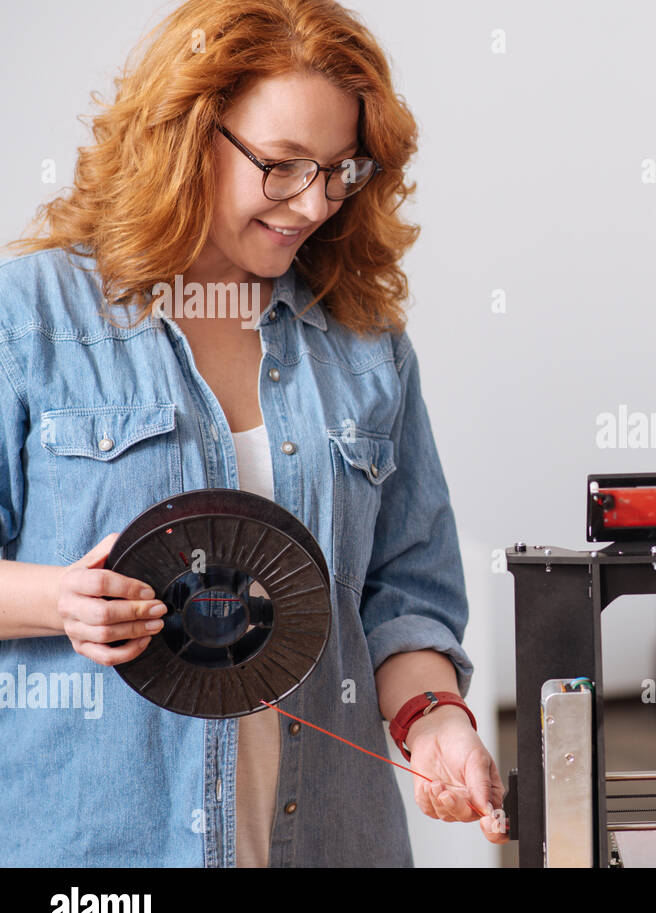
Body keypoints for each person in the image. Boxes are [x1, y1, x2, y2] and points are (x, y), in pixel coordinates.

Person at [0, 0, 507, 865]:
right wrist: (60, 602)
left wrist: (436, 723)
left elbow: (406, 598)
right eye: (281, 166)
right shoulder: (31, 320)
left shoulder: (365, 345)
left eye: (338, 170)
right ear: (190, 134)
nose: (312, 203)